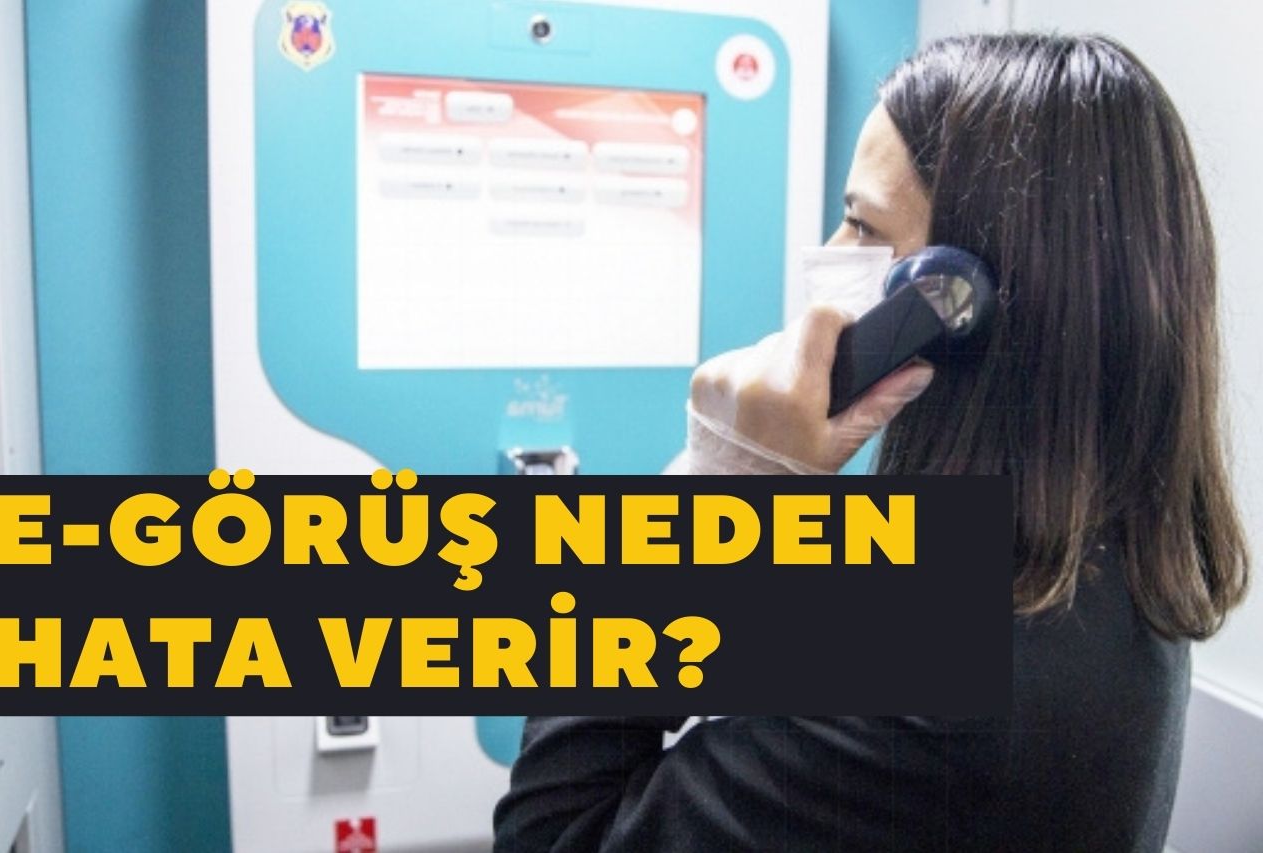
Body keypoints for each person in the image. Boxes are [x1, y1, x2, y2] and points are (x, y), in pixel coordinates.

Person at [492, 33, 1250, 851]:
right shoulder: (1097, 569)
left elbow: (553, 833)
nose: (830, 257)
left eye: (860, 223)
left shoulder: (935, 693)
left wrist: (695, 510)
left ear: (952, 303)